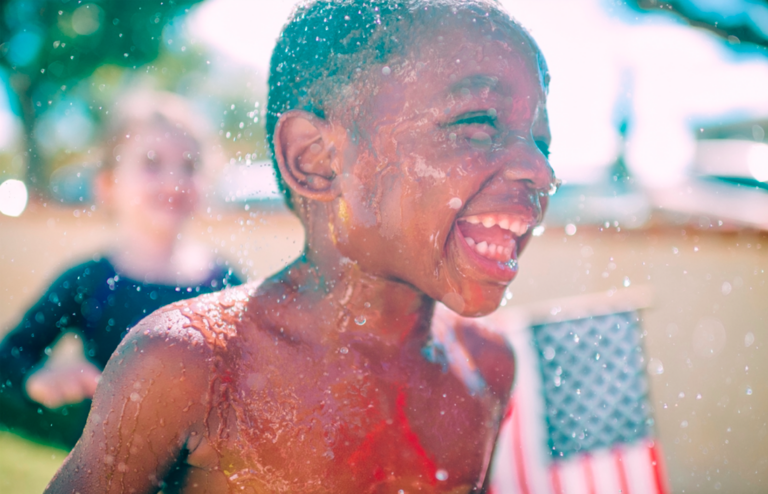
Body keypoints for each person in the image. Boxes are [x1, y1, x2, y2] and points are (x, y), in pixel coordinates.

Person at [46, 0, 556, 492]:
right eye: (477, 124)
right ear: (315, 158)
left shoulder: (487, 367)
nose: (540, 170)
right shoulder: (194, 365)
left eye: (541, 142)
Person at [0, 90, 241, 448]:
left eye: (189, 166)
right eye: (151, 163)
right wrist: (36, 380)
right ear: (108, 185)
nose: (173, 181)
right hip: (107, 468)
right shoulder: (89, 282)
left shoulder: (226, 285)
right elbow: (9, 358)